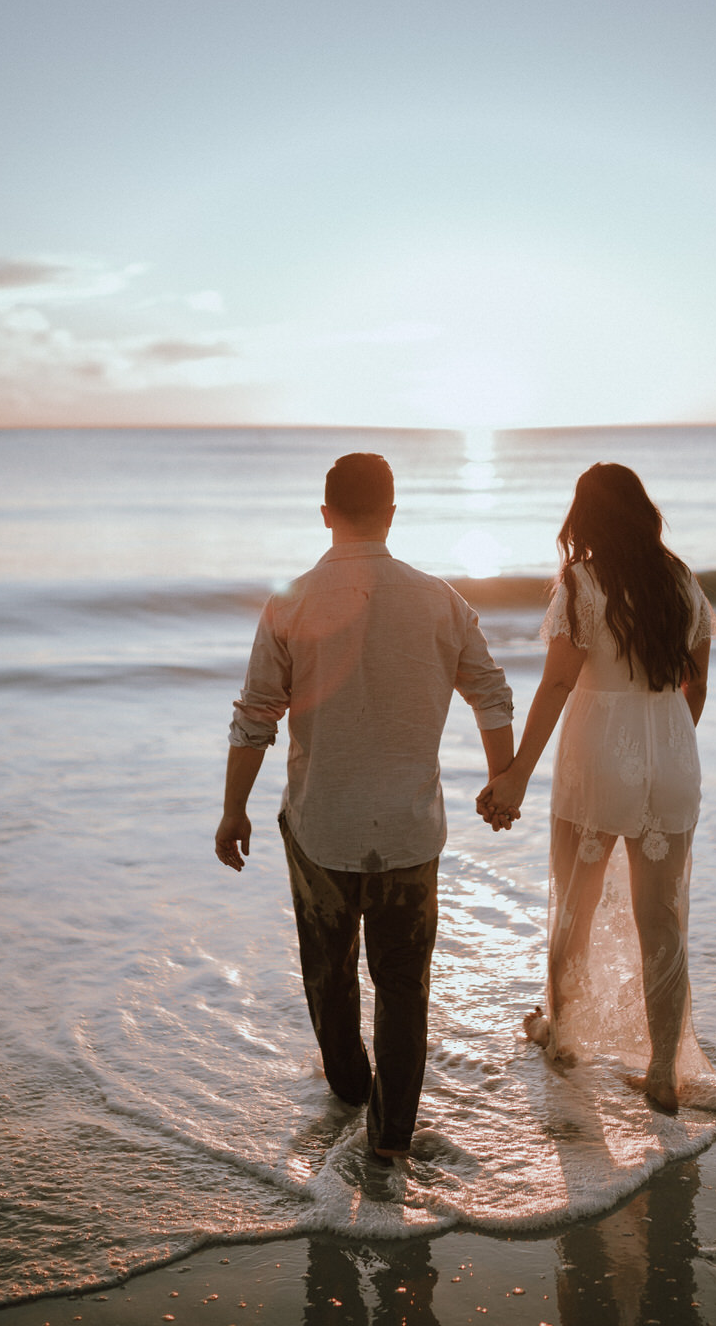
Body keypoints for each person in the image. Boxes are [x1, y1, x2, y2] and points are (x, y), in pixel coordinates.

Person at [216, 453, 514, 1160]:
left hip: (321, 822)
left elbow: (256, 715)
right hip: (410, 829)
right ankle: (390, 1141)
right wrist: (501, 780)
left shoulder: (290, 600)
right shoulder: (440, 599)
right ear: (390, 512)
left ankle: (348, 1092)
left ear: (325, 514)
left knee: (328, 969)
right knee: (403, 984)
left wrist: (234, 809)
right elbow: (493, 694)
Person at [477, 463, 716, 1112]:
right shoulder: (680, 581)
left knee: (573, 911)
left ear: (584, 518)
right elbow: (695, 684)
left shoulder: (580, 583)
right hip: (671, 759)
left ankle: (563, 1036)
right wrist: (663, 743)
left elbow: (557, 685)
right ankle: (664, 1070)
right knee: (661, 922)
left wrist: (515, 774)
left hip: (596, 760)